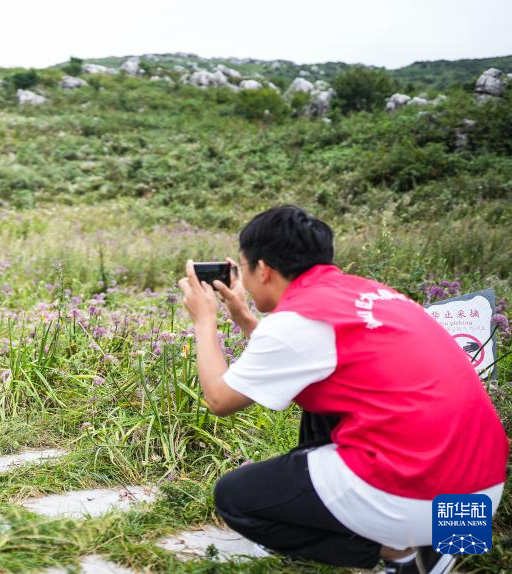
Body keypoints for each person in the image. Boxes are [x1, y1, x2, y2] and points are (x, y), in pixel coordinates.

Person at [177, 205, 508, 574]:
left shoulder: (298, 321)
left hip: (416, 494)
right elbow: (298, 354)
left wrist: (204, 320)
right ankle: (437, 544)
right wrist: (243, 315)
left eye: (244, 268)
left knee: (236, 498)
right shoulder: (373, 294)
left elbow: (220, 399)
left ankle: (401, 552)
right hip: (477, 502)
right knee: (323, 394)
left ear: (263, 269)